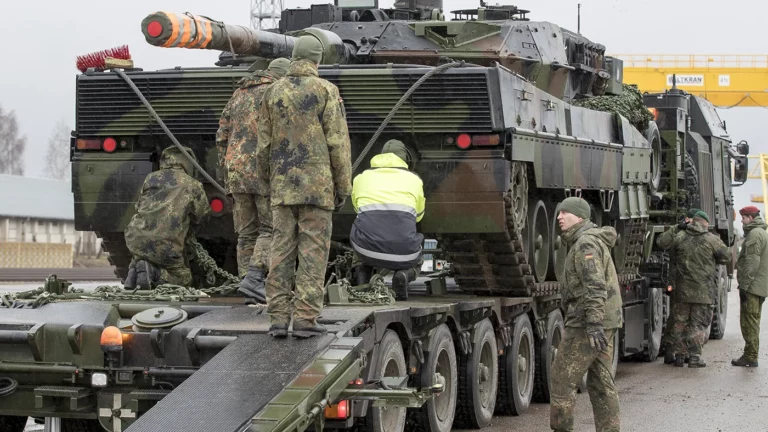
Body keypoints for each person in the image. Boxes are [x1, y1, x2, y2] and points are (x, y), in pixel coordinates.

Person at [256, 35, 352, 338]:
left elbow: (263, 145)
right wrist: (343, 186)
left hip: (283, 186)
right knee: (313, 251)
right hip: (317, 187)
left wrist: (266, 182)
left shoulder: (273, 92)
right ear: (317, 60)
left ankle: (278, 318)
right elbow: (338, 143)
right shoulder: (326, 90)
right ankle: (305, 318)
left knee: (281, 250)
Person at [216, 58, 290, 304]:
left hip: (236, 170)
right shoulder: (277, 92)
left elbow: (222, 134)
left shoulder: (239, 93)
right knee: (271, 229)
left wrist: (226, 169)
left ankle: (247, 289)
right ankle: (256, 281)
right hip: (263, 171)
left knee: (247, 233)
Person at [550, 197, 622, 432]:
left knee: (562, 379)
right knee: (601, 381)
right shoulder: (590, 240)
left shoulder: (585, 244)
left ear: (579, 217)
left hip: (587, 321)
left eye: (565, 213)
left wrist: (592, 322)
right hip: (604, 319)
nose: (559, 217)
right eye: (559, 213)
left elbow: (594, 284)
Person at [123, 146, 210, 289]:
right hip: (166, 244)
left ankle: (134, 271)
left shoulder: (150, 178)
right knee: (184, 278)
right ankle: (156, 274)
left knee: (143, 253)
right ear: (188, 162)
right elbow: (203, 216)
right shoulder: (193, 184)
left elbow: (139, 207)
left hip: (135, 238)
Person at [349, 139, 426, 300]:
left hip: (366, 250)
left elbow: (358, 209)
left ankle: (362, 280)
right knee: (417, 245)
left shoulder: (361, 177)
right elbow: (418, 216)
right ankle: (404, 274)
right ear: (405, 159)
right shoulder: (415, 180)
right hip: (405, 254)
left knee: (362, 226)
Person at [656, 210, 730, 368]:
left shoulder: (680, 237)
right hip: (703, 292)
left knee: (680, 322)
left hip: (682, 290)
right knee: (698, 324)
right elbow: (726, 257)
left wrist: (677, 228)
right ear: (704, 223)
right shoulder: (712, 239)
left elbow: (663, 243)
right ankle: (695, 357)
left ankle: (679, 357)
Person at [660, 207, 701, 364]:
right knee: (680, 319)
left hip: (684, 283)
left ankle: (679, 353)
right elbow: (662, 242)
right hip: (682, 282)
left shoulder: (688, 235)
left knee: (682, 320)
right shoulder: (680, 233)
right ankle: (677, 352)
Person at [733, 206, 768, 367]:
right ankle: (750, 354)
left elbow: (752, 262)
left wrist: (745, 286)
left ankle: (751, 356)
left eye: (744, 218)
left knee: (749, 322)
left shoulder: (755, 234)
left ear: (751, 218)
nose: (741, 221)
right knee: (753, 320)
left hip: (753, 286)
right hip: (758, 285)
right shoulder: (761, 232)